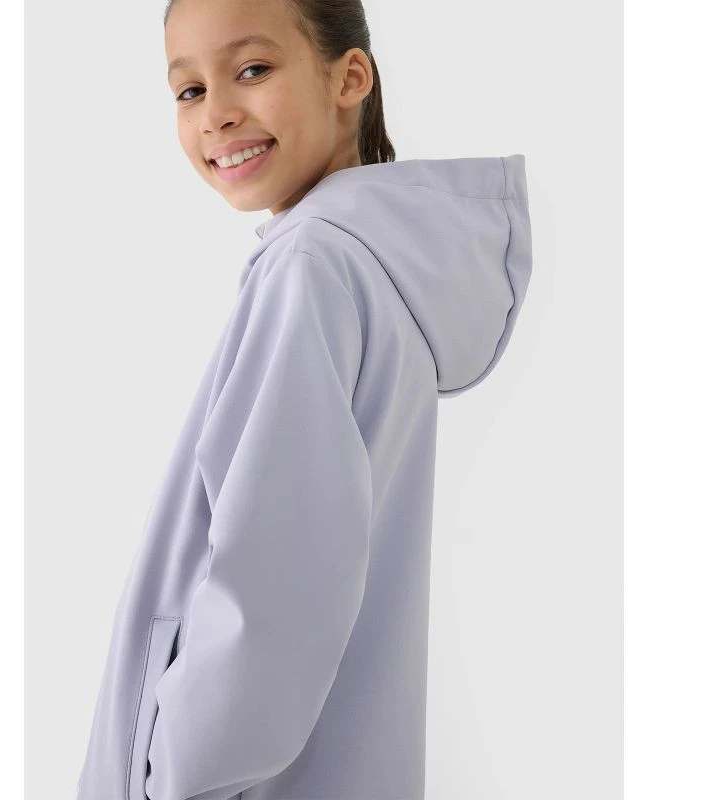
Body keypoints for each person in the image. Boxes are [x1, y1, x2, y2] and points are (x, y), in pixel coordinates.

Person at [75, 0, 533, 798]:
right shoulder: (369, 268)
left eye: (252, 69)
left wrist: (169, 780)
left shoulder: (312, 269)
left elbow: (273, 594)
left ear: (349, 78)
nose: (217, 113)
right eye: (189, 90)